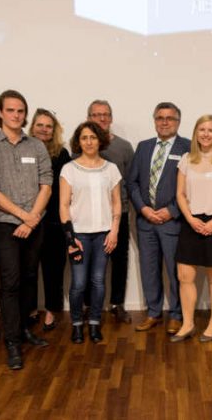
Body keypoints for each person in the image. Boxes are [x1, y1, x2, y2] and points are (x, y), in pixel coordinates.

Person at [0, 90, 53, 370]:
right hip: (5, 225)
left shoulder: (37, 146)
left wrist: (32, 218)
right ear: (0, 113)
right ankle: (11, 341)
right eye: (11, 110)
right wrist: (23, 217)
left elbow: (46, 183)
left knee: (31, 278)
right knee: (10, 282)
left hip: (34, 224)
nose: (16, 115)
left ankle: (22, 329)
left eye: (21, 111)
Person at [171, 115, 212, 342]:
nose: (206, 134)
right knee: (184, 275)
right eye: (202, 130)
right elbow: (179, 193)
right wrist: (190, 219)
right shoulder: (187, 159)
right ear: (196, 133)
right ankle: (188, 324)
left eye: (211, 130)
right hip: (192, 222)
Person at [127, 102, 190, 334]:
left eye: (170, 118)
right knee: (149, 269)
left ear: (178, 122)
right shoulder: (143, 147)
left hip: (172, 222)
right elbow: (131, 182)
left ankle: (176, 314)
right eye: (160, 118)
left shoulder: (188, 148)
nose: (164, 122)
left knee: (175, 271)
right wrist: (143, 208)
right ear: (154, 121)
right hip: (146, 221)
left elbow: (192, 186)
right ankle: (154, 312)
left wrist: (171, 210)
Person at [59, 121, 121, 344]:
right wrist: (70, 237)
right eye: (84, 137)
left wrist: (114, 232)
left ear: (100, 140)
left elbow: (116, 204)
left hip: (103, 234)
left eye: (93, 137)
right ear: (79, 142)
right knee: (78, 283)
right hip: (79, 235)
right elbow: (64, 206)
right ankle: (77, 324)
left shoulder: (111, 169)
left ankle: (94, 322)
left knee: (98, 281)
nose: (88, 142)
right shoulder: (69, 169)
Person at [86, 100, 136, 324]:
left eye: (106, 115)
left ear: (111, 118)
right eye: (97, 115)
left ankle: (117, 304)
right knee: (89, 261)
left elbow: (131, 180)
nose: (102, 119)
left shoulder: (124, 147)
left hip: (119, 213)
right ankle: (89, 305)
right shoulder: (82, 144)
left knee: (119, 260)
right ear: (89, 118)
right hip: (89, 215)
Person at [31, 108, 72, 332]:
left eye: (49, 126)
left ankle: (50, 311)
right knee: (28, 269)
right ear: (33, 127)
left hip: (54, 221)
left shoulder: (61, 154)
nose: (44, 129)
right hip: (28, 219)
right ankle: (28, 309)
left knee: (53, 269)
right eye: (40, 125)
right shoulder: (23, 148)